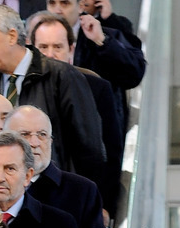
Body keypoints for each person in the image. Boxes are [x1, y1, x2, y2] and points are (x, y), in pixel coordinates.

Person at [0, 5, 105, 188]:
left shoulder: (62, 76)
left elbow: (89, 147)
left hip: (56, 193)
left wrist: (79, 196)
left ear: (12, 36)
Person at [26, 12, 123, 216]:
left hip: (78, 197)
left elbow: (111, 152)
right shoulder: (23, 86)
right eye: (43, 47)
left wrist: (103, 204)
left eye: (57, 47)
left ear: (71, 49)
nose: (50, 54)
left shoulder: (97, 88)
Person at [45, 0, 145, 144]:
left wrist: (102, 42)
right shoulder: (36, 36)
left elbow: (134, 73)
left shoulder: (102, 35)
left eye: (65, 3)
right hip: (52, 136)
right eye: (52, 3)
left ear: (80, 5)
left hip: (98, 137)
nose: (57, 10)